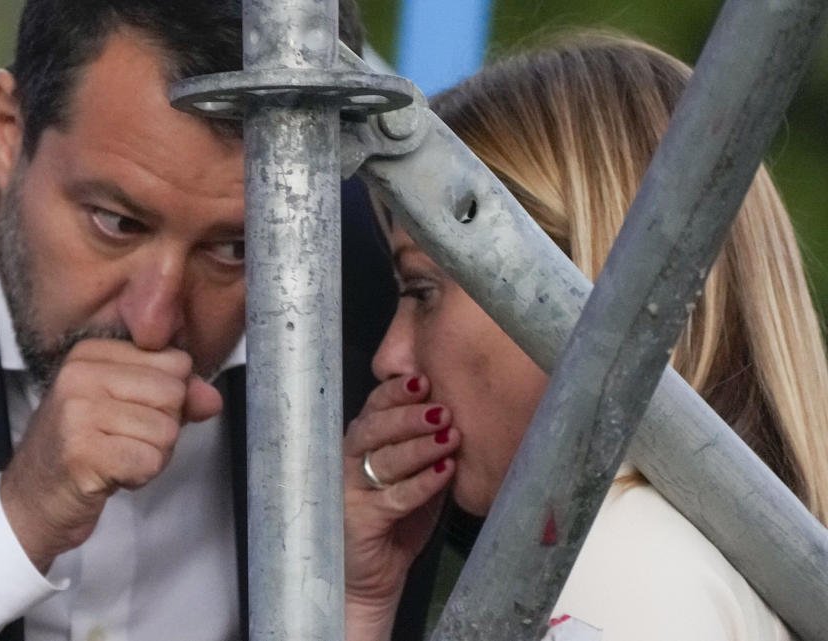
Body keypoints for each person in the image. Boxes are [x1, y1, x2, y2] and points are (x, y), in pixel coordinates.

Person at [0, 2, 405, 640]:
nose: (153, 322)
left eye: (234, 249)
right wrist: (15, 522)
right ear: (11, 130)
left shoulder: (387, 274)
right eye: (117, 224)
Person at [344, 31, 828, 641]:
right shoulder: (678, 561)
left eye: (421, 290)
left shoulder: (626, 564)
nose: (390, 357)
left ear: (586, 283)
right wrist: (356, 608)